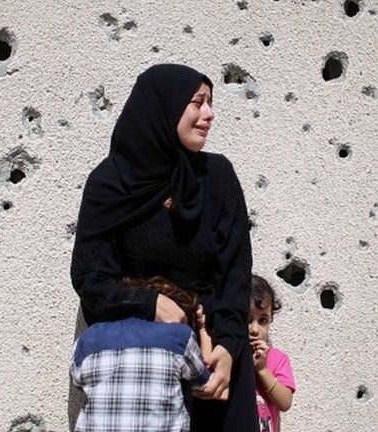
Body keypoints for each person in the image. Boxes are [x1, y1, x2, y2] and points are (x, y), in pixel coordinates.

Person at [71, 63, 258, 431]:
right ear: (165, 108)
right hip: (143, 371)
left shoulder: (217, 178)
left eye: (210, 102)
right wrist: (150, 304)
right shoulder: (111, 184)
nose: (209, 114)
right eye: (197, 102)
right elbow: (90, 278)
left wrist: (229, 348)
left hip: (213, 357)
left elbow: (235, 271)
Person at [71, 276, 211, 432]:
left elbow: (78, 380)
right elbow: (205, 383)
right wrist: (203, 327)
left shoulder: (88, 339)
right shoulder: (179, 336)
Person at [249, 275, 295, 432]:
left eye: (262, 320)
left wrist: (262, 370)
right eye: (247, 319)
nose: (254, 330)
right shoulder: (230, 357)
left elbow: (285, 402)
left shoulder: (277, 359)